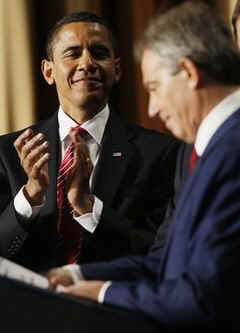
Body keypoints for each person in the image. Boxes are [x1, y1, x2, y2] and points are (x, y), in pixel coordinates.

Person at [47, 2, 240, 330]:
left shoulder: (232, 150)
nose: (152, 108)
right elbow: (166, 262)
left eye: (154, 88)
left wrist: (104, 293)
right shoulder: (199, 151)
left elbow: (204, 299)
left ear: (189, 73)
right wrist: (79, 274)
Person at [0, 12, 180, 272]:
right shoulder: (8, 153)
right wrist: (30, 196)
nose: (87, 62)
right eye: (73, 53)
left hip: (113, 306)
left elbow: (157, 254)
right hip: (29, 308)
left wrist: (88, 207)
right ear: (48, 71)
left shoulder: (160, 153)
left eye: (99, 52)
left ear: (116, 69)